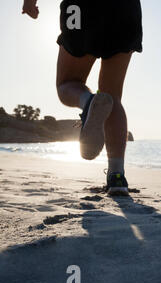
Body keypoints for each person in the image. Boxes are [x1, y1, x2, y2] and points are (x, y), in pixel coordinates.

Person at [22, 0, 143, 196]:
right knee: (112, 97)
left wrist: (29, 3)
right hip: (126, 10)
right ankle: (117, 177)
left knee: (67, 83)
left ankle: (87, 102)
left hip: (81, 8)